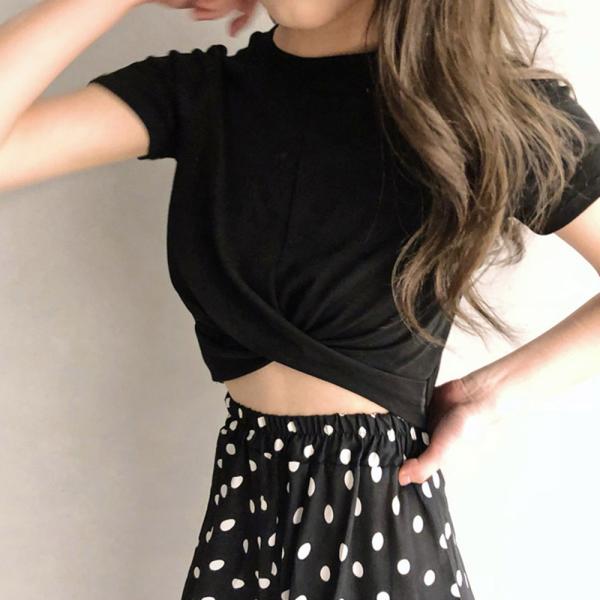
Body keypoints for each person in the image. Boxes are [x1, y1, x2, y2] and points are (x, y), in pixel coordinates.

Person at [1, 0, 599, 598]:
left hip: (375, 526)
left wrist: (487, 396)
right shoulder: (204, 95)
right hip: (246, 510)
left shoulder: (480, 111)